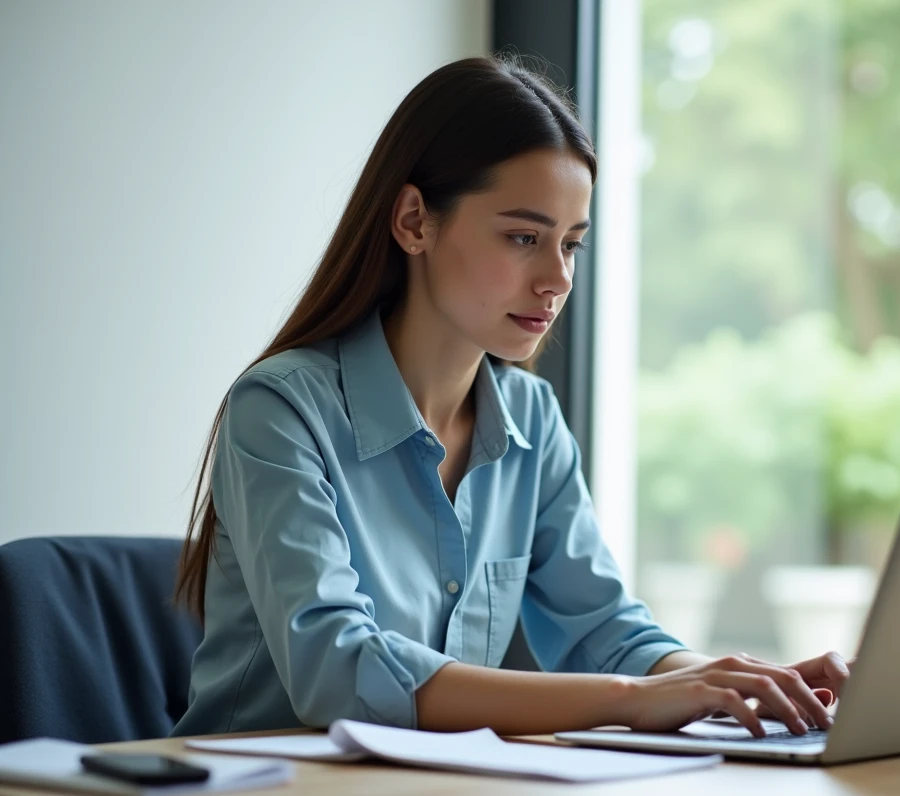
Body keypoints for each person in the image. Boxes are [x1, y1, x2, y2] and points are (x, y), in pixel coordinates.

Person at [171, 55, 849, 739]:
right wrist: (628, 699)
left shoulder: (532, 420)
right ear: (413, 221)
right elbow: (340, 673)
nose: (556, 278)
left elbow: (606, 631)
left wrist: (748, 685)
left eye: (572, 245)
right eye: (523, 237)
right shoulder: (281, 411)